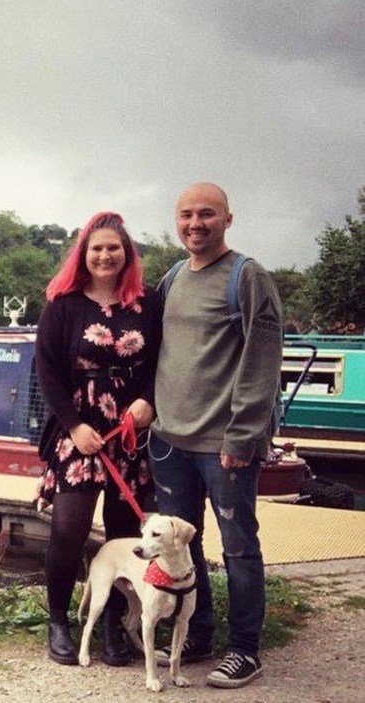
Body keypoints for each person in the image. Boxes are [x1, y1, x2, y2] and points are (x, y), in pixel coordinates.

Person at [149, 182, 283, 689]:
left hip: (224, 443)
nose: (195, 224)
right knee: (184, 545)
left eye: (207, 214)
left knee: (238, 548)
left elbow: (263, 359)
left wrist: (243, 435)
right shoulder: (174, 276)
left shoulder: (247, 277)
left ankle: (245, 650)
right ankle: (196, 634)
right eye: (186, 215)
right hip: (169, 442)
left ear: (228, 219)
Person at [35, 211, 162, 666]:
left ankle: (113, 626)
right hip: (82, 426)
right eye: (96, 248)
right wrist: (73, 425)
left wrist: (148, 400)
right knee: (69, 529)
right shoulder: (63, 304)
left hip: (130, 429)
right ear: (83, 255)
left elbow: (160, 361)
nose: (105, 255)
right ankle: (59, 621)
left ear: (126, 253)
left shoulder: (147, 303)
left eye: (113, 247)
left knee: (125, 531)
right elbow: (47, 371)